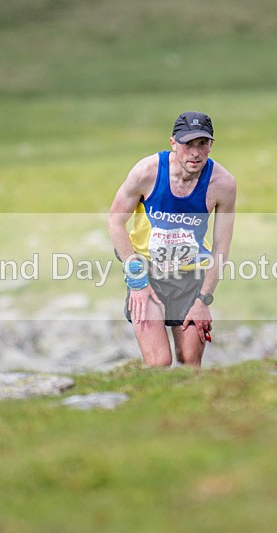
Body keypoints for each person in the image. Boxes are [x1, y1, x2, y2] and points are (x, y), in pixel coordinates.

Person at [107, 111, 237, 367]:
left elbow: (221, 247)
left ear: (212, 145)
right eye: (188, 144)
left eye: (203, 144)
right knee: (159, 363)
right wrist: (137, 281)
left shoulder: (223, 184)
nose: (195, 152)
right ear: (173, 143)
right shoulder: (147, 172)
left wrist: (203, 300)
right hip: (147, 273)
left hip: (191, 278)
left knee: (190, 361)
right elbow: (115, 220)